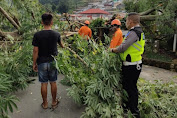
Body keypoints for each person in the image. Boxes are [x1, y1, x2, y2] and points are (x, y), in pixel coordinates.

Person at [110, 12, 145, 118]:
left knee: (131, 88)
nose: (125, 23)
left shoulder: (134, 33)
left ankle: (134, 112)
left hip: (132, 66)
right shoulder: (138, 32)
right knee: (128, 87)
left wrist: (112, 50)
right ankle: (127, 108)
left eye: (126, 21)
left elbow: (122, 48)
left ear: (130, 21)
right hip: (132, 64)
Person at [32, 13, 64, 109]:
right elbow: (62, 45)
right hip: (53, 61)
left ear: (42, 22)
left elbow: (35, 50)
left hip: (41, 62)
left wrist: (34, 63)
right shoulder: (56, 34)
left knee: (44, 83)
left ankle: (45, 104)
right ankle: (54, 102)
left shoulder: (37, 35)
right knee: (53, 82)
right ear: (52, 22)